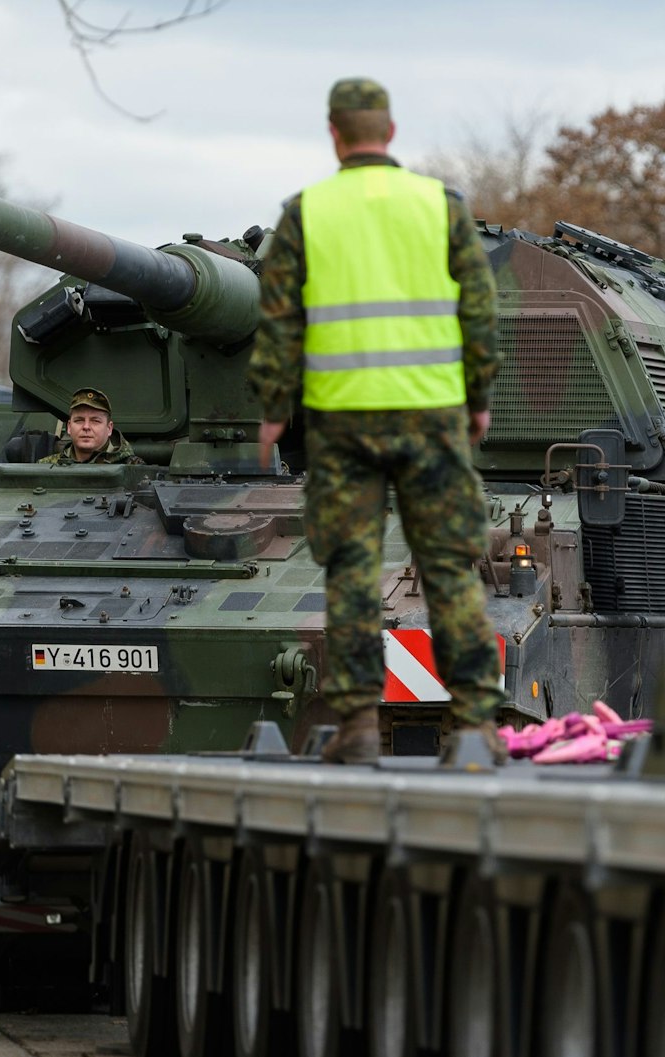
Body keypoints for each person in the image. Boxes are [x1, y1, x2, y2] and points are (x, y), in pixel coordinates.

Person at [248, 77, 505, 765]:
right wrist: (478, 394)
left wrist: (274, 408)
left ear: (334, 134)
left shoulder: (307, 212)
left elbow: (278, 321)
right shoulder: (440, 206)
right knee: (450, 564)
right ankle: (478, 728)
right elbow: (480, 311)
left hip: (343, 421)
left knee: (353, 570)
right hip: (432, 414)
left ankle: (359, 725)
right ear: (389, 133)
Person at [39, 387, 143, 465]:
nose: (86, 427)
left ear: (109, 428)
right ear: (69, 427)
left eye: (95, 421)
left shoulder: (132, 469)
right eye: (79, 420)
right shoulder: (46, 467)